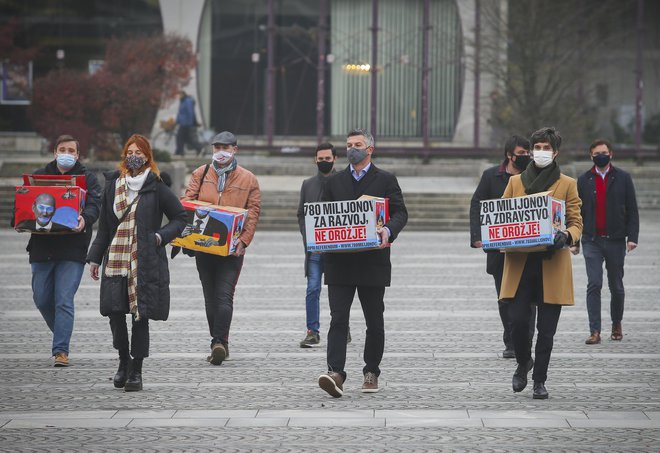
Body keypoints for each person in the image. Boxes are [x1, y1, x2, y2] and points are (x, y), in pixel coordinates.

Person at [87, 134, 186, 392]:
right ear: (124, 155)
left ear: (147, 156)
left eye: (139, 152)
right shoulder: (113, 186)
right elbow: (105, 229)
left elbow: (180, 217)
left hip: (144, 261)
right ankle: (123, 362)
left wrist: (160, 236)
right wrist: (95, 258)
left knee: (139, 315)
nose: (134, 156)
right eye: (130, 151)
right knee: (115, 312)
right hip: (116, 260)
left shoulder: (157, 186)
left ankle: (137, 371)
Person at [317, 128, 408, 397]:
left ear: (370, 149)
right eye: (348, 144)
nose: (351, 148)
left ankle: (371, 371)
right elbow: (322, 216)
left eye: (357, 144)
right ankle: (336, 372)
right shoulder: (333, 182)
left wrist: (388, 230)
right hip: (339, 263)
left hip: (372, 262)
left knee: (374, 320)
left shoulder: (386, 179)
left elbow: (401, 212)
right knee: (337, 320)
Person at [499, 127, 582, 400]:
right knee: (519, 323)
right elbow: (501, 216)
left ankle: (539, 380)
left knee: (546, 331)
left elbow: (576, 220)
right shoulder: (515, 182)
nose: (542, 152)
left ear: (555, 152)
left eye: (547, 148)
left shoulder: (567, 183)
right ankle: (524, 362)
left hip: (552, 263)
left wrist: (568, 235)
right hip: (521, 263)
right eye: (538, 148)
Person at [19, 135, 102, 367]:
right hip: (41, 246)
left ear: (77, 155)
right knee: (42, 298)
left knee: (63, 299)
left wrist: (85, 219)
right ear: (55, 152)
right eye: (62, 149)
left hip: (72, 249)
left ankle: (61, 351)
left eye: (71, 150)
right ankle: (62, 333)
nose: (67, 153)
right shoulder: (39, 176)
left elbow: (96, 205)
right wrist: (20, 221)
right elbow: (24, 202)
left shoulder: (87, 178)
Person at [182, 131, 261, 365]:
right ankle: (217, 342)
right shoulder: (201, 173)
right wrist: (187, 235)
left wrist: (244, 240)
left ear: (235, 149)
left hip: (231, 248)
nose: (220, 152)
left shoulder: (249, 179)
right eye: (216, 147)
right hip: (204, 246)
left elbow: (254, 212)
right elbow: (188, 203)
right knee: (210, 297)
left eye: (225, 147)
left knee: (224, 295)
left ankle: (219, 342)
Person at [469, 135, 535, 359]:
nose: (525, 157)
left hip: (528, 249)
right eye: (521, 153)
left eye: (528, 153)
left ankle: (526, 341)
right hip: (499, 251)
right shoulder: (491, 176)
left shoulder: (533, 176)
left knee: (529, 298)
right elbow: (477, 204)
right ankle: (511, 341)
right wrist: (477, 236)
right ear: (509, 155)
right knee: (504, 297)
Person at [573, 139, 639, 344]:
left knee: (616, 286)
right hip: (591, 239)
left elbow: (632, 210)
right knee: (594, 284)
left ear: (611, 154)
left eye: (604, 152)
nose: (600, 155)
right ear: (590, 156)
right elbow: (576, 212)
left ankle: (616, 323)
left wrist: (632, 237)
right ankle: (595, 330)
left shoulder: (623, 178)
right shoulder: (584, 180)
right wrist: (574, 240)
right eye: (596, 153)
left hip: (616, 240)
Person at [297, 143, 351, 348]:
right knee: (313, 288)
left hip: (337, 249)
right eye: (320, 159)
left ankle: (342, 327)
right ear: (315, 159)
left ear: (335, 159)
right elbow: (301, 213)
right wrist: (307, 235)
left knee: (338, 291)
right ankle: (313, 331)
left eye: (327, 159)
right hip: (315, 249)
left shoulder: (345, 182)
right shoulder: (307, 184)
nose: (324, 162)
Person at [175, 90, 203, 157]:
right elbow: (181, 113)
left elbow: (190, 113)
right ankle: (180, 151)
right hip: (183, 123)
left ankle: (181, 151)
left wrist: (189, 123)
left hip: (186, 124)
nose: (178, 97)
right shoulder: (183, 101)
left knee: (180, 137)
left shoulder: (187, 101)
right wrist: (177, 121)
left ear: (183, 94)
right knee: (184, 138)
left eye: (179, 95)